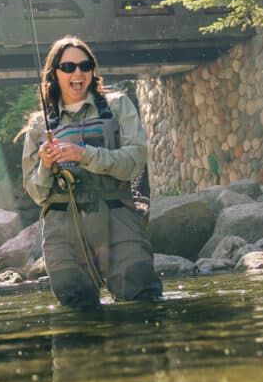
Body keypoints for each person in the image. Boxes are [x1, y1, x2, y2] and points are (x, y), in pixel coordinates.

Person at [20, 35, 164, 312]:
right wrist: (46, 165)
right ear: (55, 74)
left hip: (117, 215)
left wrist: (84, 155)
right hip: (62, 226)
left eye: (85, 66)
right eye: (69, 67)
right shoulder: (39, 126)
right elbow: (36, 193)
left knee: (142, 301)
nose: (78, 73)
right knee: (76, 311)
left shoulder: (118, 106)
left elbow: (134, 162)